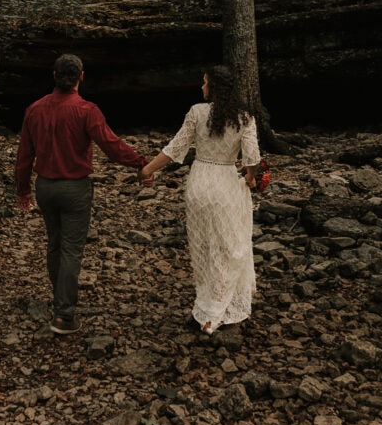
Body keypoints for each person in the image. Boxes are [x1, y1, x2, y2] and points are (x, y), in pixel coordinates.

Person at [15, 54, 148, 335]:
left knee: (54, 243)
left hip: (46, 187)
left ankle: (60, 298)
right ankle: (63, 315)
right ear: (81, 77)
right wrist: (141, 163)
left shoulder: (34, 110)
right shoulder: (87, 110)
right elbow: (111, 145)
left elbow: (24, 156)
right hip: (74, 188)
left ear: (54, 76)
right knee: (71, 249)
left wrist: (23, 189)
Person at [139, 65, 261, 335]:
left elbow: (175, 149)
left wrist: (147, 169)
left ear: (214, 87)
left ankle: (208, 305)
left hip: (199, 183)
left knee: (203, 246)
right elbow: (252, 157)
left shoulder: (197, 112)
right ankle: (219, 309)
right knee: (230, 246)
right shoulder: (245, 117)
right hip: (226, 183)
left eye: (204, 83)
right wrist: (251, 177)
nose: (201, 87)